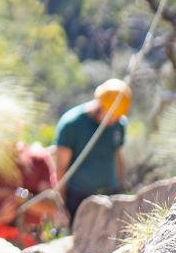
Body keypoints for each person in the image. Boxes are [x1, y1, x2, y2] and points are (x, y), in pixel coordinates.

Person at [54, 79, 131, 224]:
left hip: (110, 195)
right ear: (99, 104)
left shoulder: (119, 124)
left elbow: (118, 156)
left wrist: (121, 186)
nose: (113, 121)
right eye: (111, 116)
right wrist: (61, 205)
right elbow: (61, 168)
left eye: (117, 117)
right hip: (78, 199)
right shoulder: (71, 125)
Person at [0, 141, 59, 247]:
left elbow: (51, 207)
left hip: (30, 242)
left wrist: (23, 197)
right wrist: (0, 215)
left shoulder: (38, 159)